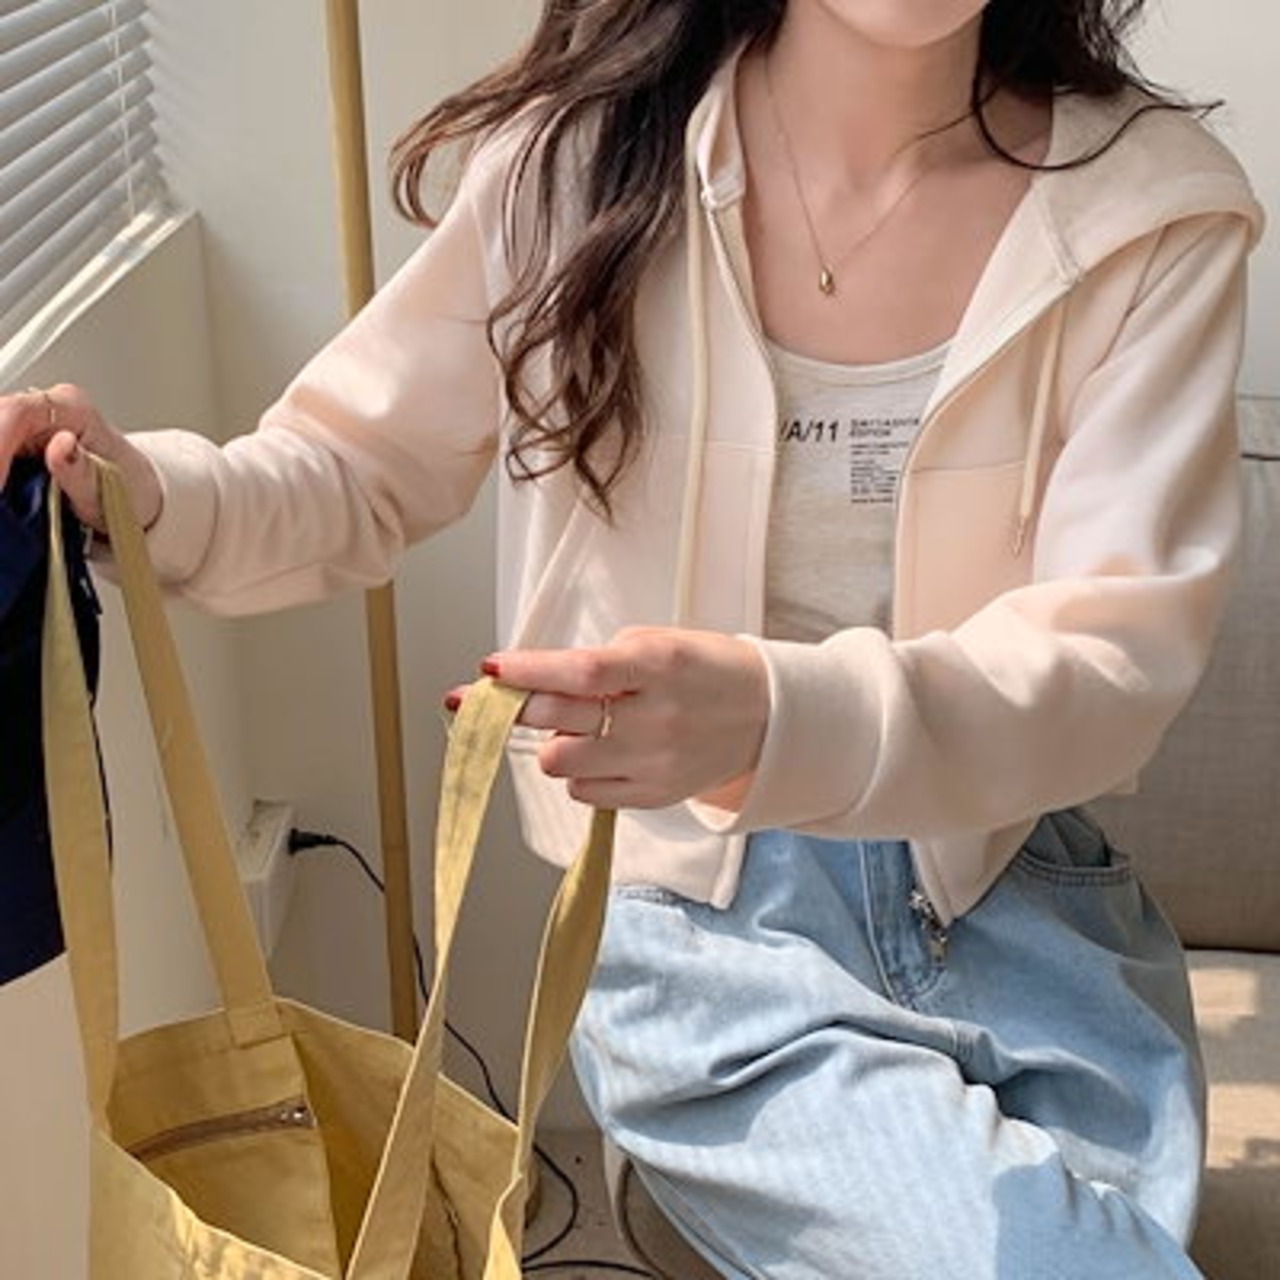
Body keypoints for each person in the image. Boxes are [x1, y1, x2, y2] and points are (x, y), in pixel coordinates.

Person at [0, 2, 1265, 1275]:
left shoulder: (1145, 208)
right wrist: (144, 493)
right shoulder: (578, 167)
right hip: (704, 926)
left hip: (1015, 896)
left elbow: (1116, 650)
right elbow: (350, 468)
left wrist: (770, 714)